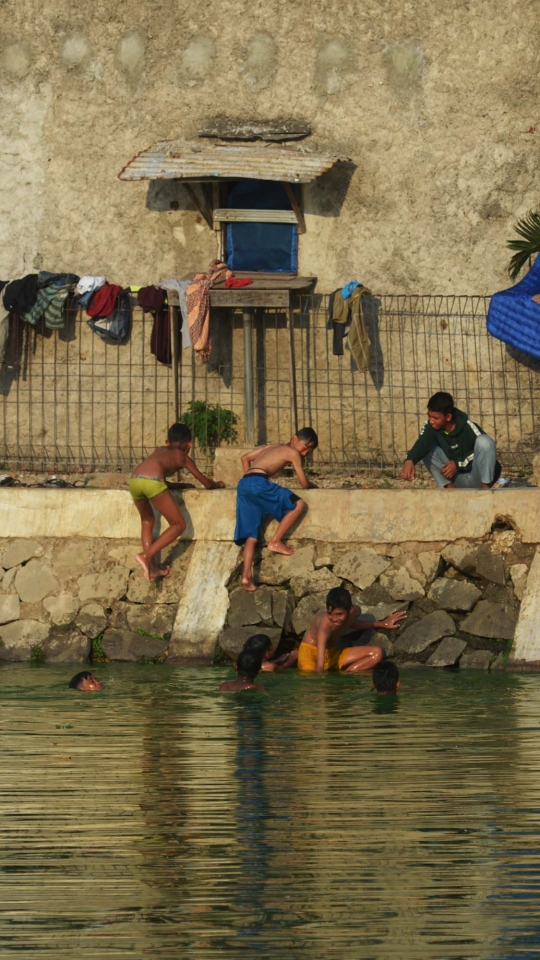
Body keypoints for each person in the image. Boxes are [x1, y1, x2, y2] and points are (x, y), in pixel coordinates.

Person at [130, 423, 225, 582]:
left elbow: (156, 478)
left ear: (168, 442)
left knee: (147, 521)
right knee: (178, 525)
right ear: (189, 444)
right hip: (152, 482)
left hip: (134, 480)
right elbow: (206, 484)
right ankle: (146, 556)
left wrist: (180, 485)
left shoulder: (159, 451)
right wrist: (218, 484)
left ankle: (152, 568)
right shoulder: (182, 456)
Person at [235, 428, 319, 592]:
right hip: (258, 483)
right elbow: (303, 483)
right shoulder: (291, 452)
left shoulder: (272, 446)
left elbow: (245, 458)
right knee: (298, 505)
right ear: (294, 438)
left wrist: (251, 482)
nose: (305, 452)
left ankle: (246, 576)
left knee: (251, 536)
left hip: (245, 484)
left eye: (310, 450)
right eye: (305, 446)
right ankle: (275, 542)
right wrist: (314, 486)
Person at [401, 391, 501, 489]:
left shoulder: (468, 427)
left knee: (485, 441)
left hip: (476, 477)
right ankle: (452, 492)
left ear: (448, 417)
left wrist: (457, 464)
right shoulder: (431, 427)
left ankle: (485, 493)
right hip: (457, 479)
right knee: (426, 450)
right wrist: (410, 460)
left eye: (435, 418)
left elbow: (485, 452)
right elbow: (422, 442)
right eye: (429, 416)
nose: (431, 421)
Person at [298, 587, 407, 674]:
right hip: (311, 655)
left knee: (377, 653)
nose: (334, 619)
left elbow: (353, 624)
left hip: (332, 654)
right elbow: (319, 665)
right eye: (330, 613)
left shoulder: (355, 612)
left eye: (339, 614)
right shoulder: (325, 624)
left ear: (349, 610)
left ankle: (346, 674)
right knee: (311, 678)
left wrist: (383, 623)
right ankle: (296, 655)